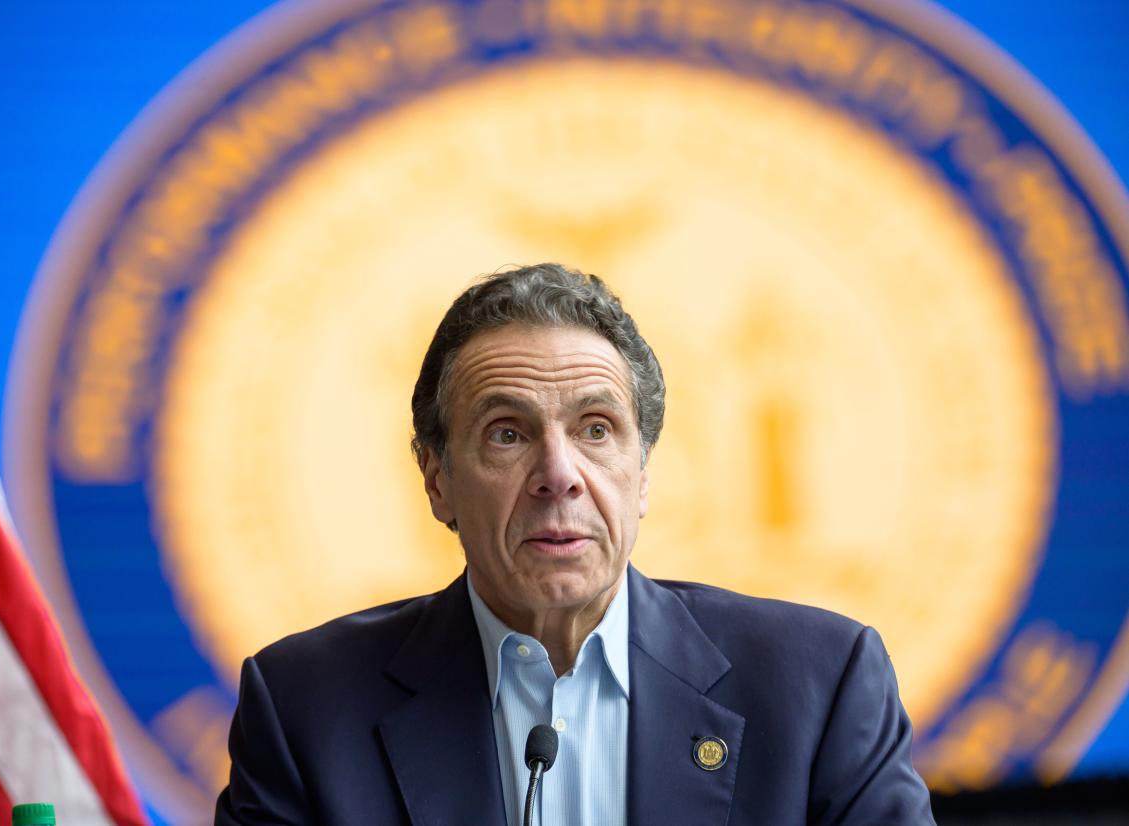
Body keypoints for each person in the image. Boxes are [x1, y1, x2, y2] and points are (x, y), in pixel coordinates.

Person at [214, 263, 936, 825]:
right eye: (506, 432)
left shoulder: (820, 685)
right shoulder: (305, 707)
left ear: (641, 473)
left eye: (595, 429)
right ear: (435, 481)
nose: (559, 475)